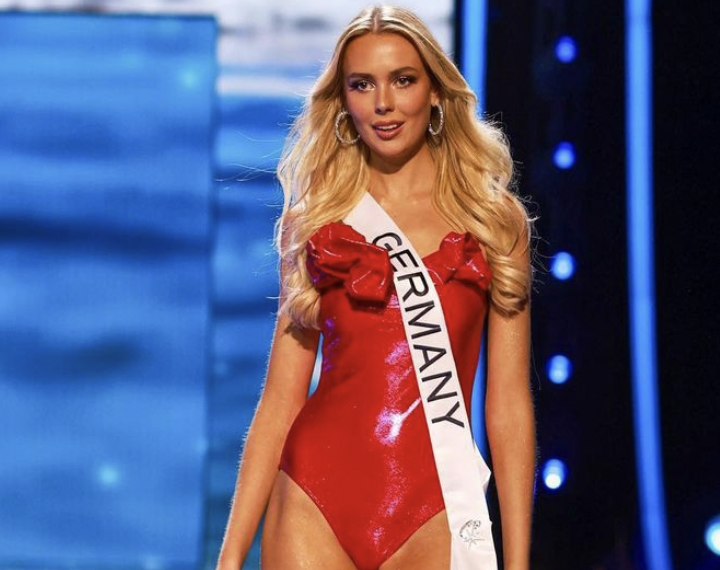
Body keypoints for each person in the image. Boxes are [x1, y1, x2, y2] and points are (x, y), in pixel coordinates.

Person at [215, 5, 536, 570]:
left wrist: (518, 561)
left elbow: (507, 404)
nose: (383, 103)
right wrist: (230, 556)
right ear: (343, 101)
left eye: (402, 80)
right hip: (313, 501)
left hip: (435, 510)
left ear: (435, 93)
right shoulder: (317, 222)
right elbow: (281, 398)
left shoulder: (492, 222)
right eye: (362, 84)